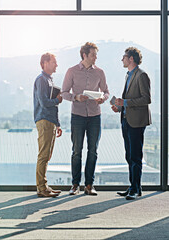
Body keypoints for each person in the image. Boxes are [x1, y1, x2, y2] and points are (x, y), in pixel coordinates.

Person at [62, 42, 109, 196]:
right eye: (93, 54)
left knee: (93, 151)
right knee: (77, 151)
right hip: (78, 116)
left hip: (95, 116)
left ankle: (89, 185)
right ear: (85, 55)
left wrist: (102, 98)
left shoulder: (100, 72)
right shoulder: (72, 71)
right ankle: (75, 185)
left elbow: (106, 92)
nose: (96, 57)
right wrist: (76, 97)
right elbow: (63, 93)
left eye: (96, 54)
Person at [111, 47, 151, 200]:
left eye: (124, 57)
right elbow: (129, 100)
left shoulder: (141, 75)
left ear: (131, 59)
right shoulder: (128, 75)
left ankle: (135, 189)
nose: (122, 59)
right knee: (129, 155)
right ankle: (134, 186)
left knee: (135, 156)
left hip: (136, 122)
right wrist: (120, 106)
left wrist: (126, 102)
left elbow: (146, 99)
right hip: (126, 119)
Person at [33, 53, 63, 197]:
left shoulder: (49, 80)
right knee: (43, 155)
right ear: (45, 63)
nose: (56, 65)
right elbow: (44, 102)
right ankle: (41, 188)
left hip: (50, 121)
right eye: (54, 62)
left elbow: (51, 105)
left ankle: (44, 186)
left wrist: (57, 124)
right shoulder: (41, 80)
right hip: (44, 120)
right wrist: (57, 100)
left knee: (47, 155)